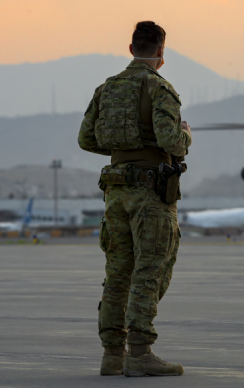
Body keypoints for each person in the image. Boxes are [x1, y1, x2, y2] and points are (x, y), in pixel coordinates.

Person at [78, 21, 192, 377]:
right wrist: (186, 136)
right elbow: (170, 140)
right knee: (149, 270)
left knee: (117, 273)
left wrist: (122, 149)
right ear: (160, 52)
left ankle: (112, 354)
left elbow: (87, 139)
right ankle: (140, 353)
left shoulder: (106, 89)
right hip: (149, 194)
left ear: (131, 49)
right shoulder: (159, 88)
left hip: (115, 193)